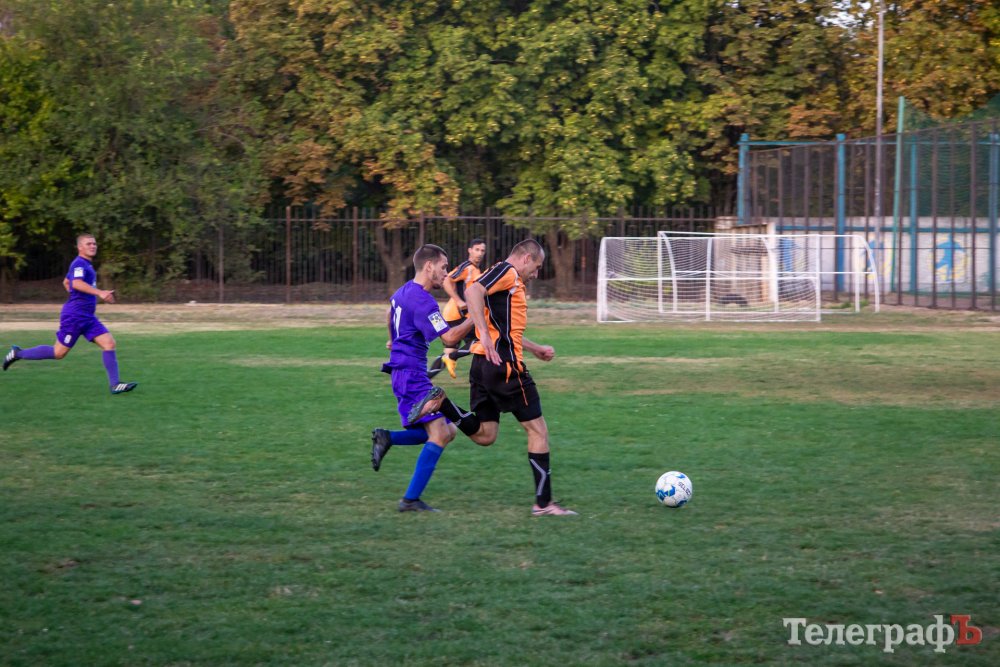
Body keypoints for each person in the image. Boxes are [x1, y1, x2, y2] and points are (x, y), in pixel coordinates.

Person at [409, 239, 577, 517]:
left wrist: (534, 348)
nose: (536, 274)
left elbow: (504, 326)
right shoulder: (507, 271)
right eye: (536, 267)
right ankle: (544, 504)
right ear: (525, 258)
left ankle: (443, 403)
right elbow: (473, 291)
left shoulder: (502, 277)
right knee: (538, 431)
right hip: (505, 366)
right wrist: (485, 336)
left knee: (486, 435)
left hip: (482, 365)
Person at [371, 244, 475, 512]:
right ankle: (410, 500)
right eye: (443, 267)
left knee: (448, 431)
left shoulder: (403, 291)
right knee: (439, 434)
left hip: (405, 372)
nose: (446, 273)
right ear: (429, 266)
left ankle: (387, 438)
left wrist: (393, 340)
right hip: (412, 376)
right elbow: (449, 338)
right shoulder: (424, 301)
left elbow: (389, 311)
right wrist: (477, 316)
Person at [3, 234, 138, 395]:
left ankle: (115, 385)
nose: (93, 246)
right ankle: (17, 353)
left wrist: (78, 296)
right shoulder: (79, 263)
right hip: (74, 317)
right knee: (58, 353)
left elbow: (67, 282)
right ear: (80, 247)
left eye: (94, 243)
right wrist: (99, 293)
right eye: (88, 244)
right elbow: (76, 283)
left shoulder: (86, 265)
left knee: (109, 343)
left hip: (87, 317)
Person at [428, 238, 486, 379]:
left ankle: (424, 378)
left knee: (449, 351)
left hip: (457, 316)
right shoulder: (467, 267)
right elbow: (447, 280)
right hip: (457, 315)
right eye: (477, 250)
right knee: (481, 341)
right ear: (470, 250)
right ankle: (484, 378)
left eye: (482, 250)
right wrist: (459, 301)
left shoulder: (476, 269)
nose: (479, 253)